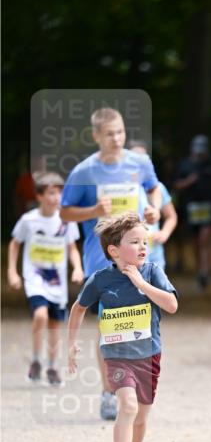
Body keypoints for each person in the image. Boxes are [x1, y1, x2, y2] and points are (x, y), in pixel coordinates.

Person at [60, 108, 162, 421]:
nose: (116, 139)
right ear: (96, 136)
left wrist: (154, 211)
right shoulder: (84, 172)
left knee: (138, 320)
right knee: (110, 324)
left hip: (140, 259)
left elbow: (154, 188)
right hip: (101, 259)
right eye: (109, 134)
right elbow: (65, 212)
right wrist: (92, 209)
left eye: (120, 132)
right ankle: (109, 391)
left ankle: (132, 386)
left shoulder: (139, 162)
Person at [67, 212, 178, 442]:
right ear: (114, 250)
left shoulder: (152, 271)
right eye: (134, 242)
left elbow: (172, 305)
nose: (143, 247)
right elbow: (79, 307)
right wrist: (71, 343)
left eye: (145, 241)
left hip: (148, 354)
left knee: (141, 417)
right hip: (116, 355)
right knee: (127, 406)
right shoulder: (101, 280)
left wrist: (140, 283)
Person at [8, 172, 83, 386]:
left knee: (53, 326)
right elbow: (15, 244)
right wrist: (13, 272)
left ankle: (50, 366)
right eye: (51, 192)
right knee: (40, 316)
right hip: (34, 278)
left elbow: (72, 248)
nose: (56, 197)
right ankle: (35, 359)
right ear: (40, 196)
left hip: (57, 283)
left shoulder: (66, 220)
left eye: (59, 192)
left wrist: (77, 268)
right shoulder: (29, 220)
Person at [172, 135, 211, 289]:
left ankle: (205, 271)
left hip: (209, 207)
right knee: (196, 242)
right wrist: (189, 181)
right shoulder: (185, 164)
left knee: (204, 239)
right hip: (191, 208)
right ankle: (200, 270)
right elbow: (176, 185)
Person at [129, 143, 178, 271]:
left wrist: (164, 233)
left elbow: (171, 216)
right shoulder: (121, 189)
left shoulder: (159, 188)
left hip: (155, 252)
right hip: (130, 254)